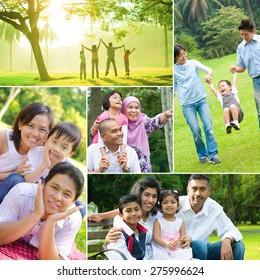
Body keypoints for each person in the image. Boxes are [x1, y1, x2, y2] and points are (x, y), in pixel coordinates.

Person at [0, 162, 84, 260]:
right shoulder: (22, 193)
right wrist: (36, 215)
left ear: (73, 201)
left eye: (66, 194)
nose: (57, 197)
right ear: (44, 184)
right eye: (54, 188)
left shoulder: (72, 219)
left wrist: (51, 223)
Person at [0, 122, 82, 203]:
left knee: (80, 204)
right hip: (27, 187)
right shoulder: (35, 153)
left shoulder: (67, 169)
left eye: (64, 147)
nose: (56, 149)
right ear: (46, 140)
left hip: (47, 195)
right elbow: (26, 180)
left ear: (70, 153)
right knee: (15, 178)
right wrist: (44, 165)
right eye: (54, 142)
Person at [176, 174, 245, 260]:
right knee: (199, 245)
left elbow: (232, 230)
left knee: (238, 246)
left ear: (209, 191)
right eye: (194, 189)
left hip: (203, 251)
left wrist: (227, 240)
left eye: (202, 189)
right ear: (188, 189)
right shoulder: (174, 204)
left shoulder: (214, 208)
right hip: (176, 250)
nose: (197, 194)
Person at [174, 44, 221, 164]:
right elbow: (173, 89)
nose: (184, 57)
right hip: (187, 105)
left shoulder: (193, 63)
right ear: (175, 57)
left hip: (201, 100)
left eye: (184, 54)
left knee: (208, 128)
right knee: (195, 131)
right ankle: (202, 154)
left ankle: (213, 154)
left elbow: (209, 70)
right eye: (180, 56)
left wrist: (209, 75)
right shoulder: (173, 71)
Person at [0, 103, 54, 181]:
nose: (35, 134)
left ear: (47, 134)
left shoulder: (41, 154)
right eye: (31, 126)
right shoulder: (3, 138)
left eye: (42, 129)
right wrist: (14, 173)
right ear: (20, 124)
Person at [121, 96, 173, 172]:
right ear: (124, 109)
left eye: (136, 108)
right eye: (130, 107)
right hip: (124, 163)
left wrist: (165, 115)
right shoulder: (119, 124)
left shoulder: (143, 121)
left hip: (142, 165)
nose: (134, 110)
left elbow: (154, 122)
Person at [230, 19, 260, 129]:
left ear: (253, 31)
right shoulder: (241, 48)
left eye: (245, 34)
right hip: (257, 82)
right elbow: (242, 67)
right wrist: (235, 68)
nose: (243, 37)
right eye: (241, 34)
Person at [152, 190, 193, 260]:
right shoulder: (158, 221)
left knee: (185, 254)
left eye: (173, 202)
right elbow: (156, 237)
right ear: (161, 206)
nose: (169, 205)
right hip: (162, 247)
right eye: (165, 202)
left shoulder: (180, 221)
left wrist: (179, 242)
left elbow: (183, 237)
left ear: (177, 206)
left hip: (176, 247)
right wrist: (166, 243)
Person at [90, 90, 128, 162]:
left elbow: (124, 137)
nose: (119, 100)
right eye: (115, 98)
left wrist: (122, 152)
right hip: (98, 147)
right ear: (107, 102)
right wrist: (104, 155)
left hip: (114, 147)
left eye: (120, 99)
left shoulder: (124, 118)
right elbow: (100, 138)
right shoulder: (103, 116)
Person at [106, 194, 146, 260]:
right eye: (128, 211)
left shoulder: (143, 229)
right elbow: (123, 258)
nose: (134, 213)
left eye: (137, 209)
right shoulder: (118, 234)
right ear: (121, 215)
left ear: (141, 210)